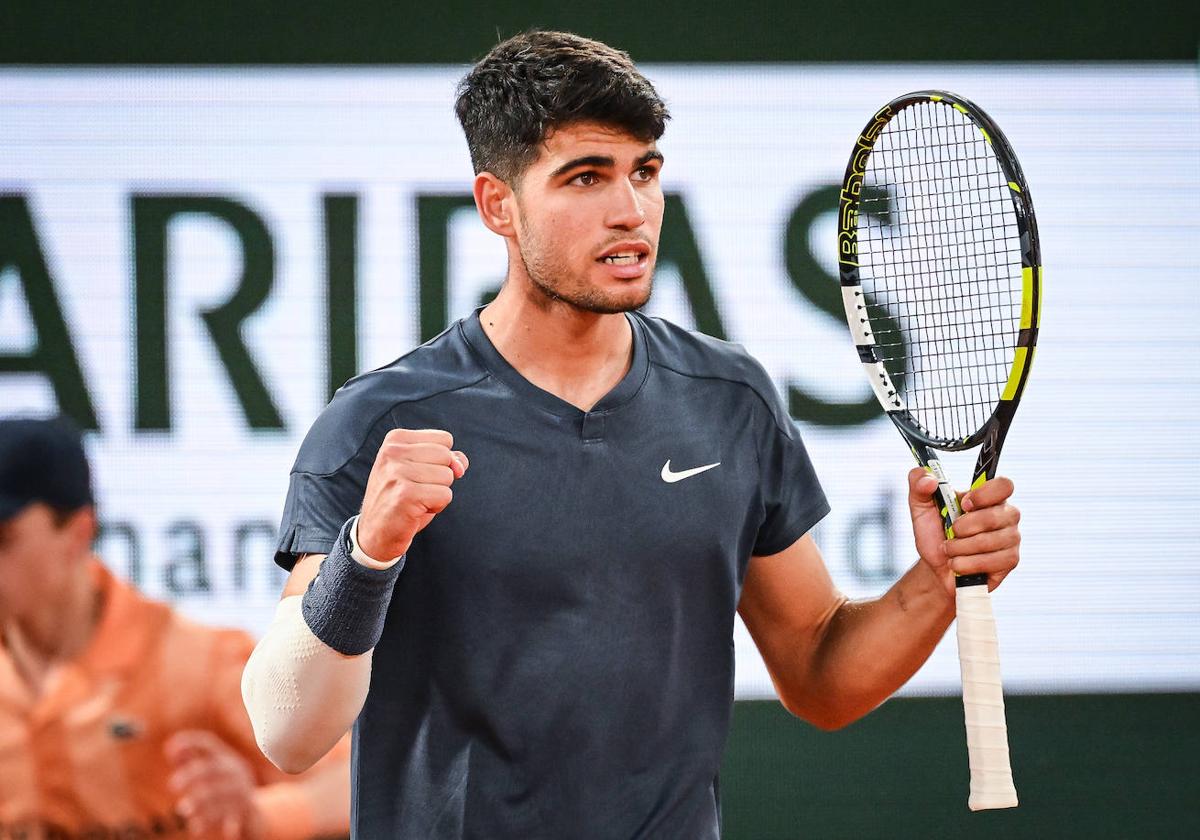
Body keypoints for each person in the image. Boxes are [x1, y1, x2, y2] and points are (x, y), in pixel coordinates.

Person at [241, 30, 1022, 839]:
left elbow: (820, 673)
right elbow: (287, 734)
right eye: (585, 177)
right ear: (496, 204)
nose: (631, 210)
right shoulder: (378, 422)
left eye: (643, 172)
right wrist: (367, 552)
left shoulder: (729, 399)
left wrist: (937, 580)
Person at [0, 416, 352, 840]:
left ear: (78, 534)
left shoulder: (199, 664)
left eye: (4, 539)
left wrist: (261, 817)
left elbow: (356, 777)